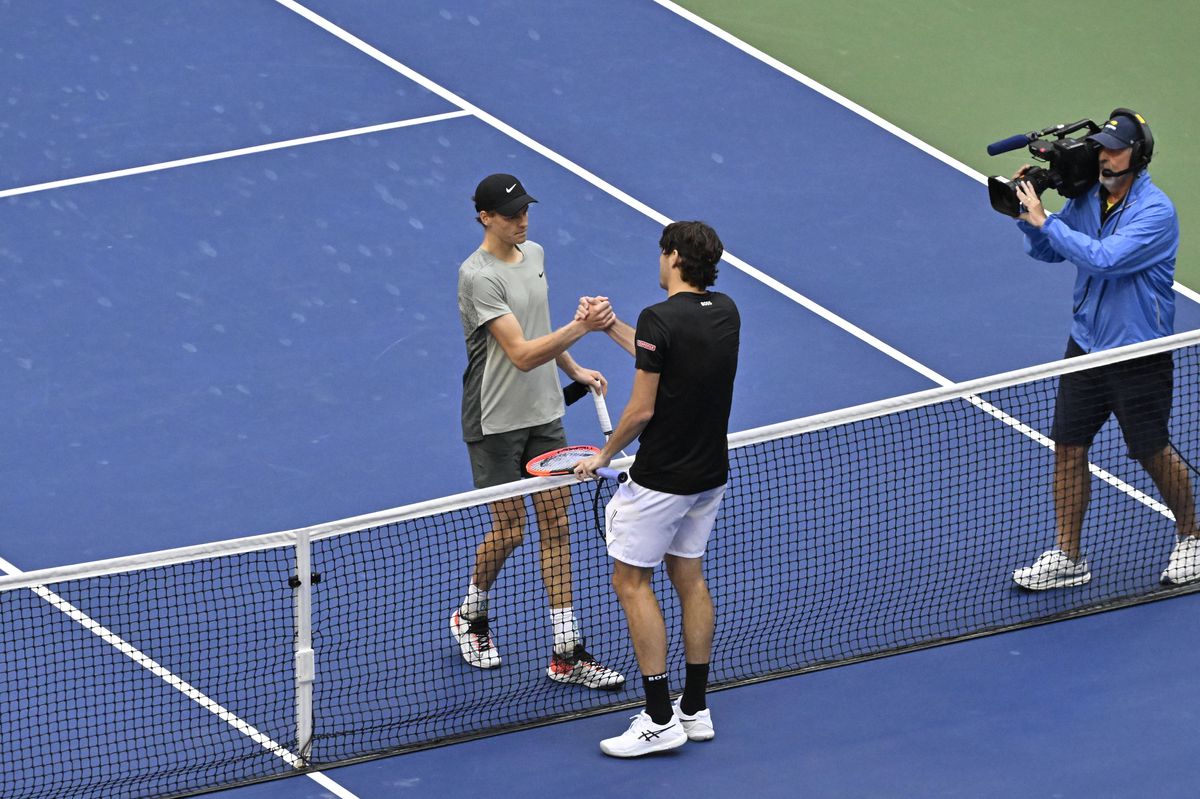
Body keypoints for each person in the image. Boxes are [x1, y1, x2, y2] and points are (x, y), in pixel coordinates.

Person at [1009, 109, 1200, 590]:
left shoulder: (1156, 213)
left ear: (1138, 155)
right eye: (1102, 148)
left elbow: (1105, 260)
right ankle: (1069, 557)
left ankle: (1193, 537)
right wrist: (1027, 220)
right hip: (1087, 345)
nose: (1105, 156)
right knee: (1069, 446)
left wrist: (1046, 220)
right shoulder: (1089, 199)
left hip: (1137, 353)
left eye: (1115, 149)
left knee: (1151, 451)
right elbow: (1052, 251)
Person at [451, 173, 624, 690]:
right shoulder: (478, 277)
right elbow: (523, 355)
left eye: (525, 210)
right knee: (510, 529)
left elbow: (539, 333)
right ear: (485, 217)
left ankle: (566, 652)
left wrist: (573, 369)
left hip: (545, 414)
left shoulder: (537, 254)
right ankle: (471, 614)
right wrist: (584, 327)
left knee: (557, 527)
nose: (522, 220)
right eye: (510, 214)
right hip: (495, 421)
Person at [574, 221, 740, 757]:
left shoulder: (658, 319)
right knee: (688, 576)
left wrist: (600, 457)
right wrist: (611, 327)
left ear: (672, 258)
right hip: (709, 473)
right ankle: (695, 708)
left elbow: (642, 408)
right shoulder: (727, 312)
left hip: (662, 478)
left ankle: (659, 717)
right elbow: (665, 352)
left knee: (630, 583)